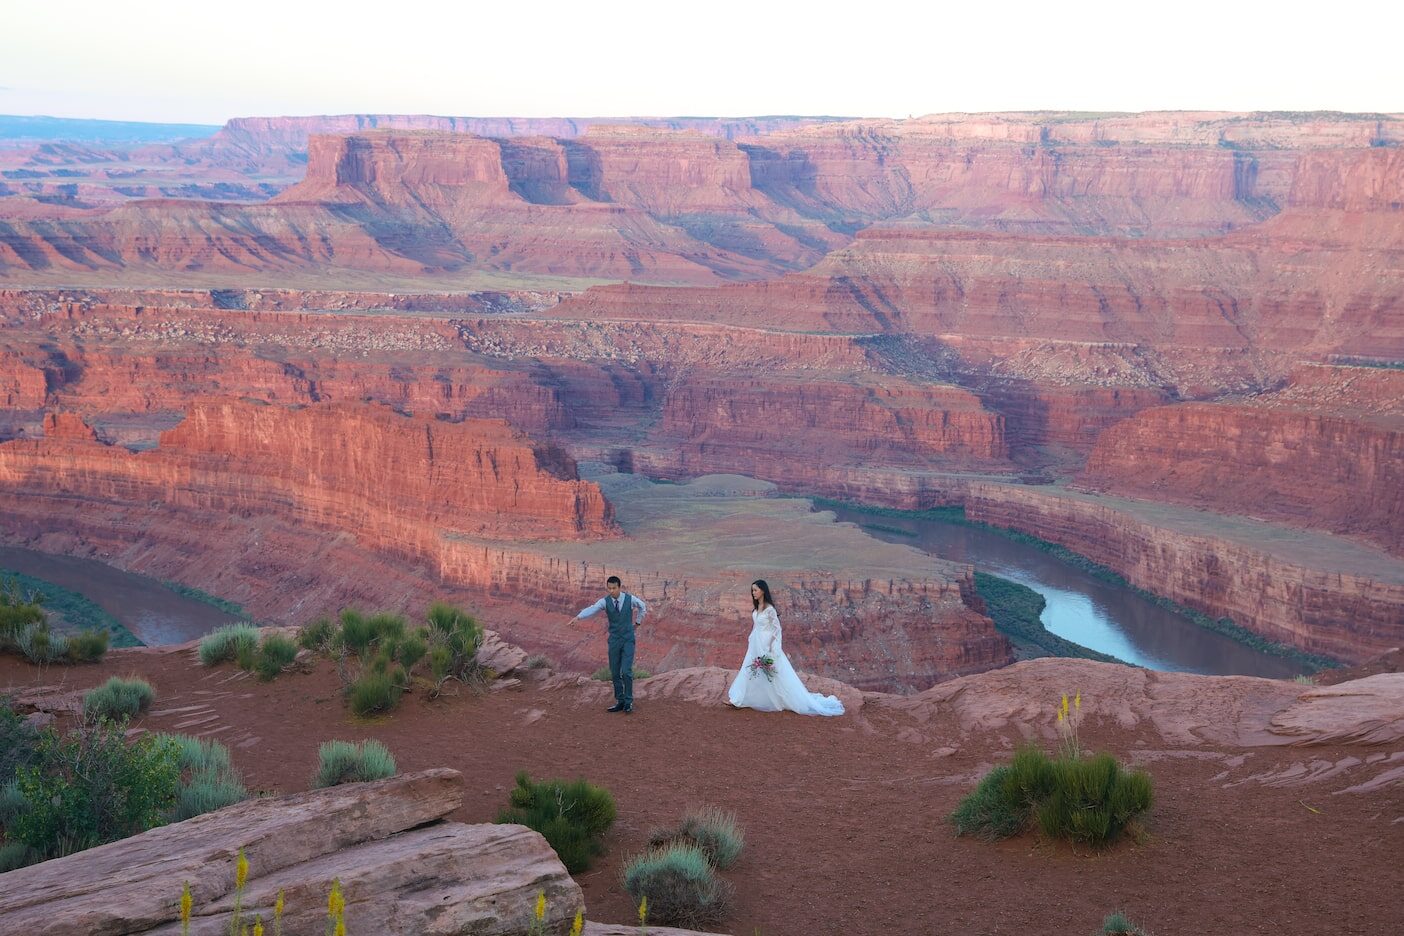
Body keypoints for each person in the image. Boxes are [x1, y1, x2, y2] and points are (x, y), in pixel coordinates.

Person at [727, 579, 844, 716]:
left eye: (755, 590)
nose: (753, 593)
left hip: (766, 645)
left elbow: (777, 630)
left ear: (763, 591)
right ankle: (737, 699)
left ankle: (782, 700)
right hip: (755, 644)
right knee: (749, 669)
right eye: (752, 590)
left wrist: (772, 647)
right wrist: (752, 639)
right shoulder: (757, 608)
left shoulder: (769, 609)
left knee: (774, 674)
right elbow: (756, 626)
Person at [570, 575, 647, 713]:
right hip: (614, 640)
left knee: (626, 671)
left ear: (619, 587)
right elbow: (592, 608)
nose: (611, 591)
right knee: (615, 672)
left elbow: (642, 606)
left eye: (614, 588)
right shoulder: (605, 602)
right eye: (609, 588)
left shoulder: (630, 600)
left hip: (628, 639)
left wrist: (638, 622)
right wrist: (578, 617)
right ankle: (620, 701)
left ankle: (629, 702)